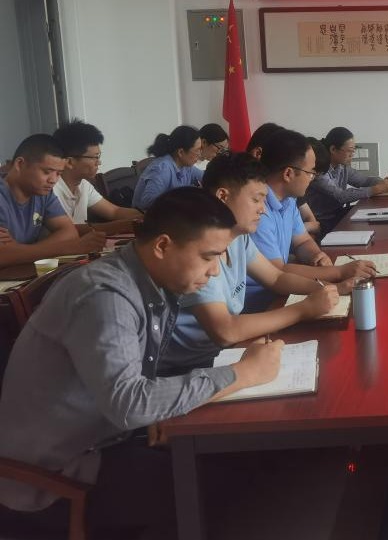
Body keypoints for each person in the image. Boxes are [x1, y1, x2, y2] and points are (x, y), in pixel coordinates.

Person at [0, 188, 282, 537]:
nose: (214, 272)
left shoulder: (150, 282)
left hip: (106, 438)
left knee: (241, 461)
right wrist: (243, 373)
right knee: (233, 494)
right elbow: (130, 404)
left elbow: (132, 393)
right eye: (208, 257)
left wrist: (159, 410)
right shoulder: (105, 296)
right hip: (56, 478)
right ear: (162, 246)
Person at [162, 153, 346, 372]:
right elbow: (225, 331)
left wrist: (326, 289)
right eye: (256, 200)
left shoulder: (238, 238)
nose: (262, 209)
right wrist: (304, 309)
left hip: (225, 351)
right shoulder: (198, 247)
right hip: (190, 367)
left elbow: (276, 277)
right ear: (223, 196)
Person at [247, 129, 376, 312]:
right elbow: (278, 272)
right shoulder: (257, 211)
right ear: (288, 174)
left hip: (286, 291)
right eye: (310, 172)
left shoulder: (289, 200)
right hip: (263, 303)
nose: (312, 178)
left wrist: (316, 255)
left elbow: (302, 241)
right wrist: (338, 273)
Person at [0, 134, 106, 267]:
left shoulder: (42, 193)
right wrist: (70, 248)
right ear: (20, 164)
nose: (53, 180)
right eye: (47, 172)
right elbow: (3, 256)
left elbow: (69, 232)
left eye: (58, 173)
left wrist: (19, 250)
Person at [51, 119, 142, 234]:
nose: (99, 162)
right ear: (70, 162)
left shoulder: (83, 185)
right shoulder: (50, 190)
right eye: (95, 157)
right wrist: (122, 225)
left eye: (99, 156)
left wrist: (147, 216)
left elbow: (114, 211)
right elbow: (68, 231)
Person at [306, 127, 388, 234]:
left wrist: (383, 182)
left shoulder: (342, 167)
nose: (352, 155)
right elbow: (341, 196)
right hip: (322, 221)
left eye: (354, 151)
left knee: (376, 216)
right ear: (333, 149)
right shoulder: (319, 172)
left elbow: (364, 181)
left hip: (338, 214)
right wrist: (376, 189)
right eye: (350, 151)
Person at [132, 125, 204, 209]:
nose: (200, 154)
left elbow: (206, 178)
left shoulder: (186, 166)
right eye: (197, 150)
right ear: (181, 152)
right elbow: (148, 203)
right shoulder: (162, 169)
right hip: (145, 215)